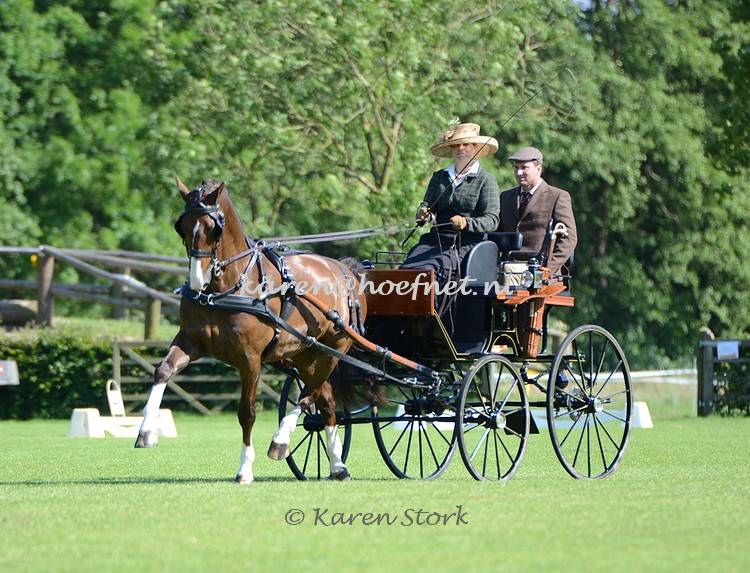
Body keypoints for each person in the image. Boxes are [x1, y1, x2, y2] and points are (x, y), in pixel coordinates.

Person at [401, 122, 500, 283]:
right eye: (456, 145)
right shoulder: (439, 177)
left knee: (428, 271)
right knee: (407, 269)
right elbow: (427, 205)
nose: (460, 148)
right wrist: (423, 213)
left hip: (467, 244)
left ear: (476, 147)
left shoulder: (486, 180)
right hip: (435, 241)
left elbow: (492, 220)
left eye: (465, 144)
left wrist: (466, 222)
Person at [498, 146, 577, 276]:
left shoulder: (557, 196)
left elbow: (569, 239)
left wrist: (548, 269)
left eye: (524, 168)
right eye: (516, 168)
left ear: (538, 169)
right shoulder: (506, 197)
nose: (519, 172)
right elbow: (498, 233)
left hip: (541, 271)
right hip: (507, 269)